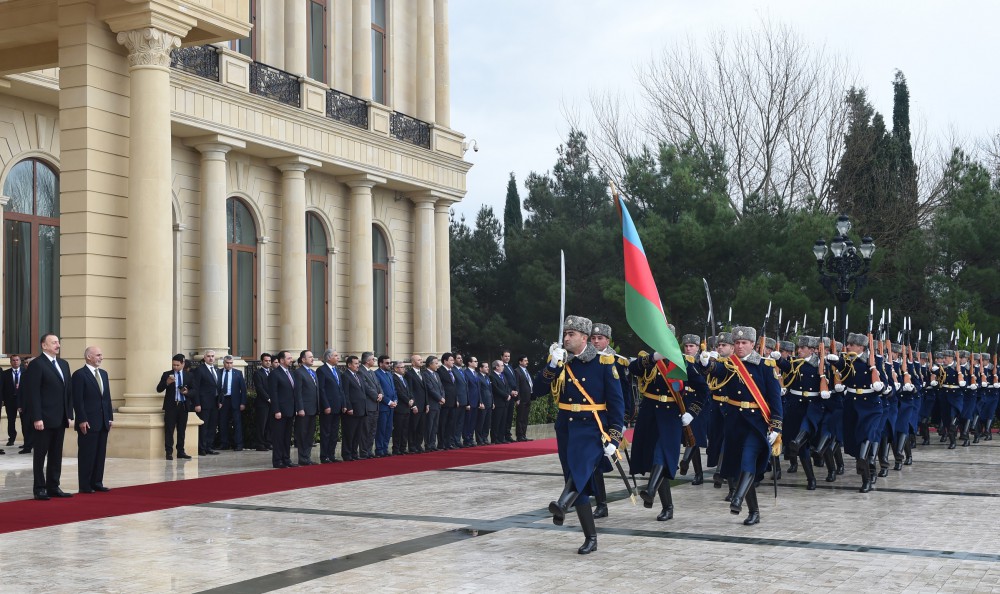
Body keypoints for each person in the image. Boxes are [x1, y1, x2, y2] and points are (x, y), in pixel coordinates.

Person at [532, 316, 624, 554]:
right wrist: (552, 365)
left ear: (584, 338)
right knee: (576, 479)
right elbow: (536, 390)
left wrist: (614, 438)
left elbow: (616, 403)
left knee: (581, 469)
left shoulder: (603, 362)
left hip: (593, 427)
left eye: (571, 334)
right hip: (567, 428)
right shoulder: (561, 362)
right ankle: (590, 537)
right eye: (565, 334)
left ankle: (562, 503)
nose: (566, 338)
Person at [700, 326, 783, 525]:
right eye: (736, 343)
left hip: (756, 423)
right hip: (735, 422)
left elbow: (775, 399)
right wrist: (705, 363)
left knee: (748, 460)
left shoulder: (765, 366)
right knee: (738, 467)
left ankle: (737, 498)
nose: (739, 346)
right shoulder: (730, 364)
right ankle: (754, 511)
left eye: (743, 343)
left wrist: (776, 427)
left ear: (752, 345)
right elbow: (717, 370)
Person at [629, 334, 709, 522]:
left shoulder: (682, 363)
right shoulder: (649, 360)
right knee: (654, 458)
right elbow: (633, 368)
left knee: (662, 454)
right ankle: (668, 506)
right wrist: (653, 358)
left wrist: (692, 412)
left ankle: (650, 490)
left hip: (671, 414)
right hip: (649, 414)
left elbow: (702, 390)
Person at [22, 333, 74, 500]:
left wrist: (69, 414)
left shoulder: (64, 364)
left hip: (60, 418)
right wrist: (37, 417)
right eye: (53, 342)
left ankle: (53, 486)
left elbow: (68, 392)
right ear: (44, 346)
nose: (57, 345)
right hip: (43, 419)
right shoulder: (37, 364)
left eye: (58, 342)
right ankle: (39, 488)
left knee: (56, 454)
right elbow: (33, 394)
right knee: (40, 455)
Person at [828, 333, 883, 492]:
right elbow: (844, 369)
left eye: (852, 345)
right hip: (852, 403)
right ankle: (869, 470)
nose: (849, 347)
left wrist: (881, 387)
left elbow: (884, 379)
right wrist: (835, 361)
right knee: (855, 441)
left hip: (871, 405)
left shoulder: (875, 360)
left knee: (866, 436)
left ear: (861, 347)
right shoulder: (847, 360)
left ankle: (866, 479)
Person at [72, 346, 113, 493]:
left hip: (103, 421)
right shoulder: (79, 375)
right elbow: (78, 400)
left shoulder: (103, 373)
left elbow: (106, 398)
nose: (101, 358)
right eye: (98, 355)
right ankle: (85, 485)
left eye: (101, 355)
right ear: (89, 357)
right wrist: (82, 419)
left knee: (100, 454)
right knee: (87, 454)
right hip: (87, 422)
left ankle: (97, 482)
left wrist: (110, 418)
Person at [157, 354, 192, 460]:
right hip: (171, 406)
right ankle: (169, 452)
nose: (175, 367)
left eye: (177, 365)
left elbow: (195, 390)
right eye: (173, 365)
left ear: (183, 364)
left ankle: (181, 451)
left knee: (182, 430)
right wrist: (167, 383)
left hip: (183, 405)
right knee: (169, 430)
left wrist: (187, 392)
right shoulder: (167, 374)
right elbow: (158, 389)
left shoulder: (188, 375)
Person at [268, 351, 297, 468]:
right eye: (289, 358)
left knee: (286, 437)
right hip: (280, 411)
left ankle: (286, 458)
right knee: (278, 437)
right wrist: (276, 410)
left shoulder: (290, 373)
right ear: (281, 360)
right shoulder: (275, 374)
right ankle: (277, 460)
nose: (291, 360)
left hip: (290, 410)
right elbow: (273, 393)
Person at [317, 349, 345, 463]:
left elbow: (341, 389)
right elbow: (321, 389)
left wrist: (343, 404)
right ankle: (324, 456)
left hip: (337, 406)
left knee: (334, 433)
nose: (338, 358)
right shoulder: (321, 370)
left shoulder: (337, 371)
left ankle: (331, 455)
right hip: (328, 407)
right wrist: (326, 405)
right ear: (329, 358)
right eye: (336, 356)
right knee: (326, 432)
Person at [192, 350, 221, 456]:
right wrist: (197, 403)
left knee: (212, 427)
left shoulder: (217, 370)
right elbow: (196, 388)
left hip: (215, 403)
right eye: (208, 356)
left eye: (212, 356)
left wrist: (220, 401)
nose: (211, 358)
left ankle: (209, 447)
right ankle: (202, 448)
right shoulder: (200, 370)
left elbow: (219, 387)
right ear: (204, 358)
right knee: (204, 427)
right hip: (203, 404)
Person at [294, 350, 320, 465]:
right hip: (304, 409)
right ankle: (302, 458)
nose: (312, 359)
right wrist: (300, 408)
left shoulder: (313, 372)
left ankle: (307, 457)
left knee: (310, 434)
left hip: (313, 408)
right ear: (303, 359)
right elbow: (298, 392)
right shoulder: (299, 372)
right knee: (303, 434)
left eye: (313, 357)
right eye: (310, 357)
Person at [217, 355, 247, 451]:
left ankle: (238, 444)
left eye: (231, 363)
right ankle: (224, 443)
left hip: (235, 401)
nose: (229, 365)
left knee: (237, 423)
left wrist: (243, 403)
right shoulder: (219, 372)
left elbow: (243, 389)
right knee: (222, 422)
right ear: (224, 363)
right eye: (227, 363)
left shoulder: (238, 373)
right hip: (223, 401)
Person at [341, 355, 368, 461]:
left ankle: (354, 453)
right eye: (356, 363)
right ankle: (347, 454)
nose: (358, 365)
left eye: (358, 363)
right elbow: (345, 393)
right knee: (349, 433)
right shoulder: (345, 376)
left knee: (357, 434)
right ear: (349, 365)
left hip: (361, 409)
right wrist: (348, 407)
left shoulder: (359, 375)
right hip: (352, 410)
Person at [358, 353, 382, 458]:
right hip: (368, 405)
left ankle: (369, 451)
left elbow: (378, 385)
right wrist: (376, 396)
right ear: (367, 361)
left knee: (372, 430)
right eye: (373, 359)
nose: (374, 361)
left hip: (376, 405)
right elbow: (366, 387)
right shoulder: (360, 371)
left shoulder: (372, 372)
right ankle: (363, 452)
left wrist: (381, 394)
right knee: (365, 430)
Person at [374, 354, 398, 457]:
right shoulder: (376, 374)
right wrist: (388, 402)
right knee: (381, 429)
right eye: (387, 363)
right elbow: (379, 391)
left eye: (390, 363)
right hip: (383, 406)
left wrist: (395, 400)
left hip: (391, 406)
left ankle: (385, 448)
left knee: (388, 429)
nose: (389, 365)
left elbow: (394, 390)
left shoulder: (389, 374)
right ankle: (379, 450)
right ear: (380, 364)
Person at [404, 355, 427, 453]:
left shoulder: (422, 373)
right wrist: (413, 405)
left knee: (421, 427)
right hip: (415, 405)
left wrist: (427, 404)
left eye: (421, 360)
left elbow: (425, 390)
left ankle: (418, 444)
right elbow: (410, 390)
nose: (421, 361)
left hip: (423, 404)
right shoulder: (409, 374)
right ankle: (412, 446)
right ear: (413, 363)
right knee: (413, 426)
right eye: (418, 360)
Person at [437, 352, 459, 450]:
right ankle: (441, 443)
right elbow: (440, 387)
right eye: (451, 360)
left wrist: (456, 399)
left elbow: (454, 387)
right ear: (445, 361)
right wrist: (441, 398)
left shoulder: (452, 371)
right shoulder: (440, 371)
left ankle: (449, 442)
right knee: (443, 423)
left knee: (451, 423)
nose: (453, 362)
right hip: (445, 402)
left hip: (453, 401)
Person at [3, 355, 25, 451]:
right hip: (10, 400)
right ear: (10, 362)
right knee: (11, 420)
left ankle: (27, 440)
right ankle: (11, 438)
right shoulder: (5, 373)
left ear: (20, 361)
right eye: (13, 360)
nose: (15, 362)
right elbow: (3, 388)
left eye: (17, 360)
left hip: (23, 401)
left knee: (24, 421)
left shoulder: (26, 372)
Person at [422, 356, 444, 451]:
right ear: (430, 364)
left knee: (435, 425)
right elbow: (430, 389)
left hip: (438, 404)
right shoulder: (425, 374)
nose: (437, 365)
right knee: (429, 425)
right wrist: (439, 398)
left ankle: (432, 444)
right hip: (431, 403)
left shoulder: (437, 374)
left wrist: (442, 397)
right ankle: (428, 445)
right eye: (435, 363)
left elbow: (441, 388)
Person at [391, 360, 413, 454]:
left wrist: (411, 399)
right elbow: (399, 392)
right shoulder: (394, 378)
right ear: (396, 368)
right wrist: (408, 400)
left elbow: (409, 391)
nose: (404, 369)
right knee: (398, 429)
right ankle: (396, 449)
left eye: (404, 367)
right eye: (402, 367)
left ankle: (403, 448)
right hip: (400, 407)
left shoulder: (404, 379)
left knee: (405, 429)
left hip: (407, 407)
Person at [252, 353, 273, 451]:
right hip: (262, 403)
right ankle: (260, 444)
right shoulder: (258, 373)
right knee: (262, 424)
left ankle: (268, 442)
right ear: (262, 362)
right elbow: (259, 388)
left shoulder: (272, 372)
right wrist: (268, 398)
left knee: (269, 424)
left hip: (272, 403)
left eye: (269, 361)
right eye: (266, 361)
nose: (268, 362)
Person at [488, 359, 511, 444]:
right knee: (496, 421)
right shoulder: (492, 376)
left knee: (503, 421)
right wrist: (506, 395)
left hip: (505, 402)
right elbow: (496, 389)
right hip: (498, 402)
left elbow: (507, 386)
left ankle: (501, 438)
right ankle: (495, 439)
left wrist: (508, 394)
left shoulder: (503, 376)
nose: (503, 367)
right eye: (501, 365)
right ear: (496, 367)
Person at [514, 355, 534, 442]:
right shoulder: (517, 371)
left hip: (528, 397)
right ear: (520, 362)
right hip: (521, 398)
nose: (527, 362)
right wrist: (517, 398)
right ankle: (519, 435)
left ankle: (524, 434)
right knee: (520, 417)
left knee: (525, 417)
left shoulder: (526, 371)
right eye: (525, 360)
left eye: (527, 360)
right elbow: (517, 385)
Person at [500, 350, 518, 443]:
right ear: (501, 357)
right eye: (505, 356)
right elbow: (504, 382)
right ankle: (503, 435)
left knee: (510, 417)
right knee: (505, 417)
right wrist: (510, 392)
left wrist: (516, 392)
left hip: (513, 395)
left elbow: (514, 381)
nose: (507, 358)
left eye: (508, 356)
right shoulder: (501, 367)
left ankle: (508, 435)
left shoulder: (510, 367)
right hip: (507, 395)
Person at [476, 361, 493, 445]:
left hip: (489, 403)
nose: (488, 368)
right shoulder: (478, 377)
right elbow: (478, 391)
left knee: (487, 422)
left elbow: (490, 391)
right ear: (480, 368)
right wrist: (480, 402)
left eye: (488, 367)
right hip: (483, 403)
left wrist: (492, 402)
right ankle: (479, 439)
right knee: (481, 422)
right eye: (485, 367)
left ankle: (485, 438)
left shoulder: (487, 377)